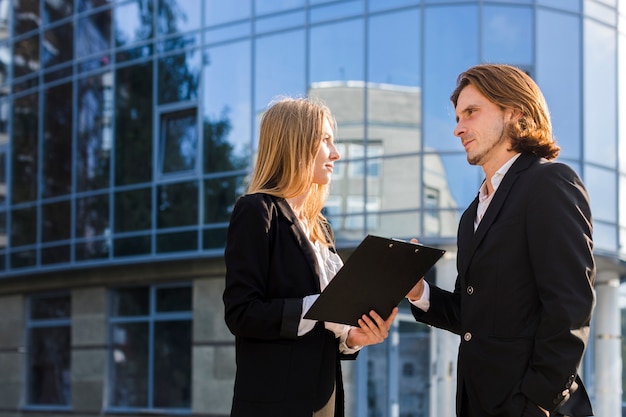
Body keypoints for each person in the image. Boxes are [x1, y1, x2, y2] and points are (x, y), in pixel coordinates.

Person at [406, 64, 596, 417]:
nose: (458, 128)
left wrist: (538, 400)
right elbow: (471, 315)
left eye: (471, 112)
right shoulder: (472, 215)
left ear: (514, 112)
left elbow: (570, 305)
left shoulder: (550, 183)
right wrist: (420, 292)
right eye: (458, 116)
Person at [223, 96, 398, 417]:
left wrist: (353, 336)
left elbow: (326, 326)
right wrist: (318, 310)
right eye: (326, 140)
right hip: (274, 405)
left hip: (324, 400)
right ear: (296, 143)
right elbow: (241, 313)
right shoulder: (256, 211)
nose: (336, 153)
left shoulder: (320, 229)